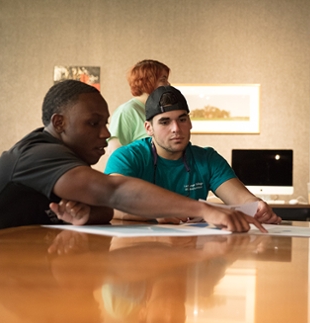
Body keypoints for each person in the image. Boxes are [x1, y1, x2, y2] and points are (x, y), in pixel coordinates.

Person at [0, 79, 267, 233]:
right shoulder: (39, 154)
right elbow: (114, 193)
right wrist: (203, 209)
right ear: (59, 123)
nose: (105, 133)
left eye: (106, 123)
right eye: (94, 124)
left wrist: (88, 214)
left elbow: (104, 209)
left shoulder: (66, 158)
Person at [105, 85, 281, 225]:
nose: (176, 129)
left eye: (182, 119)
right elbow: (110, 204)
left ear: (190, 123)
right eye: (165, 122)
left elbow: (241, 199)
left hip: (192, 251)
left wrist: (257, 206)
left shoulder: (208, 159)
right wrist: (155, 212)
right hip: (138, 253)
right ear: (148, 128)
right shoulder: (126, 157)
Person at [107, 59, 171, 155]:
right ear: (147, 81)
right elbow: (114, 151)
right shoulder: (127, 111)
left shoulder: (158, 110)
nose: (168, 84)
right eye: (163, 79)